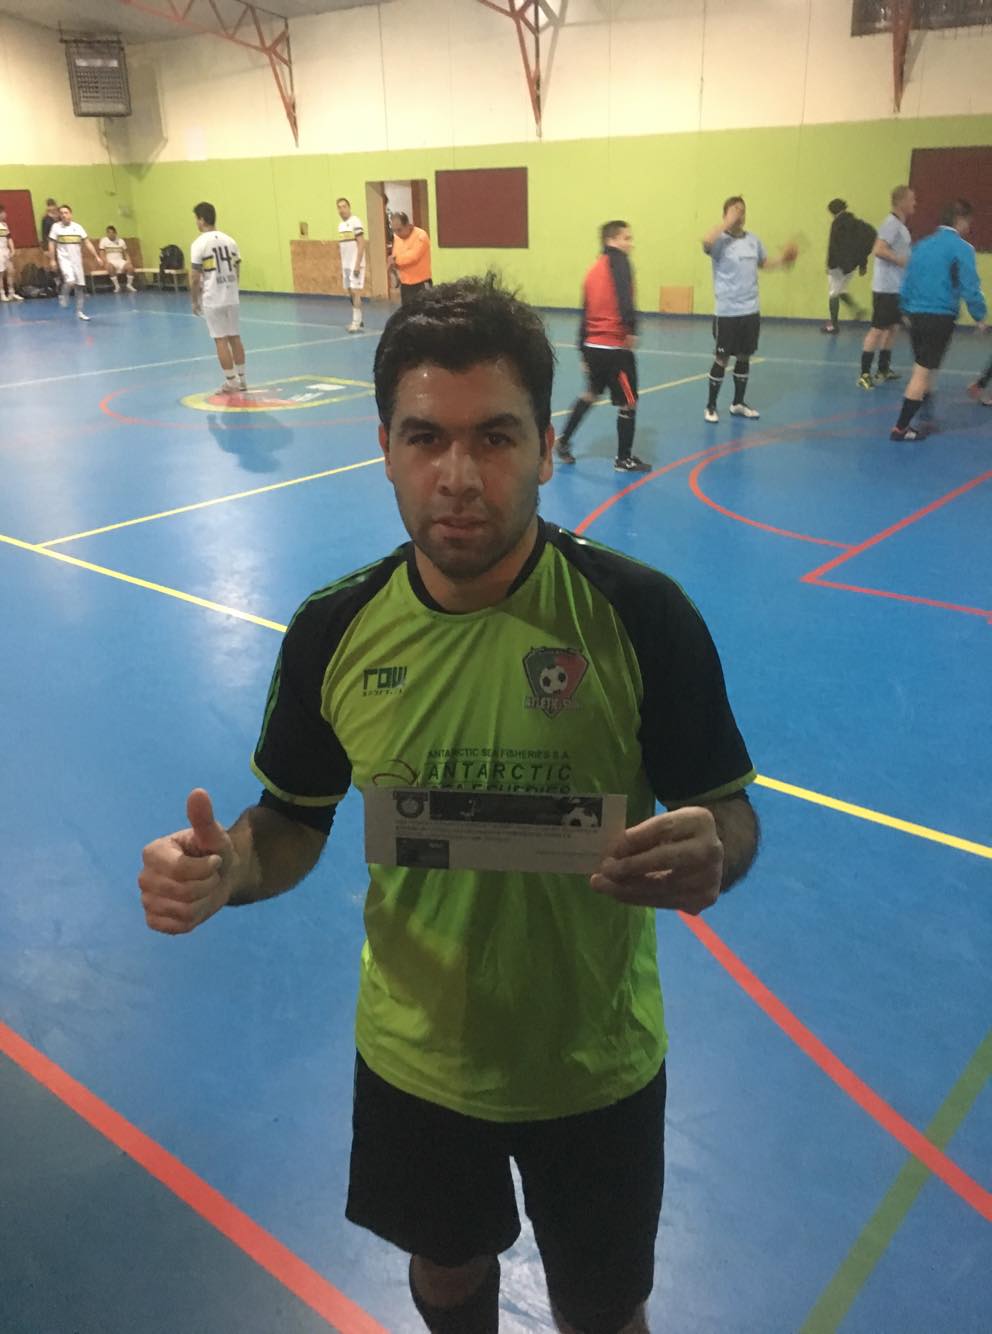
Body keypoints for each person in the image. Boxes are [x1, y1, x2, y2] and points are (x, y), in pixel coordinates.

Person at [137, 274, 760, 1334]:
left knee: (604, 1309)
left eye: (495, 438)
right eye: (426, 437)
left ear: (546, 449)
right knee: (444, 1270)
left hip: (595, 1063)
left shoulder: (642, 617)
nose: (459, 477)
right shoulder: (332, 631)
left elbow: (727, 812)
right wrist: (226, 868)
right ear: (384, 445)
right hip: (415, 1057)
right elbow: (289, 820)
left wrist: (718, 851)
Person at [556, 220, 650, 473]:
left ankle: (563, 441)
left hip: (592, 346)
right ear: (612, 240)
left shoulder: (592, 270)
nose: (630, 244)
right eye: (626, 238)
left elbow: (585, 311)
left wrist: (582, 348)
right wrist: (631, 328)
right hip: (614, 348)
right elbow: (625, 297)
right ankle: (623, 459)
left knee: (591, 392)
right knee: (628, 402)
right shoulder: (620, 262)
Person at [891, 199, 987, 441]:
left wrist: (904, 309)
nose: (969, 227)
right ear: (960, 220)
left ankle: (926, 415)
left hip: (915, 314)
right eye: (968, 222)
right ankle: (901, 428)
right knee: (922, 372)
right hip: (940, 316)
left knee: (927, 366)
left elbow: (908, 280)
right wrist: (979, 315)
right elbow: (970, 286)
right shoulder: (962, 249)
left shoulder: (921, 246)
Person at [702, 197, 798, 423]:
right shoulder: (719, 241)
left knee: (744, 356)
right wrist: (727, 224)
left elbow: (763, 264)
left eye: (742, 211)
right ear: (725, 215)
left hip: (750, 310)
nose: (740, 215)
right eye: (735, 211)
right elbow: (706, 243)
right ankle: (711, 406)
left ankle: (738, 403)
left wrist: (783, 260)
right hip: (727, 311)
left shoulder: (753, 240)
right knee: (722, 358)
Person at [858, 186, 915, 389]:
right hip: (885, 288)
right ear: (901, 202)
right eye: (911, 199)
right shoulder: (891, 224)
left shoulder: (900, 226)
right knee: (877, 330)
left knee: (893, 328)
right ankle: (864, 374)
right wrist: (900, 260)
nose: (914, 203)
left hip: (897, 287)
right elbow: (879, 249)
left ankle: (883, 368)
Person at [190, 201, 247, 395]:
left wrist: (194, 300)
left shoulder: (199, 243)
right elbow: (237, 268)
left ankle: (231, 381)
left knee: (220, 339)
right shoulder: (230, 241)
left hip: (213, 296)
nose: (196, 223)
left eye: (196, 219)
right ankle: (242, 379)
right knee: (235, 336)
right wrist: (234, 287)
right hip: (231, 294)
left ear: (202, 219)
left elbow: (195, 276)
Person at [820, 199, 874, 334]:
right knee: (841, 290)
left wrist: (830, 265)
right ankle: (856, 310)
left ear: (833, 211)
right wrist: (862, 263)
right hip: (851, 266)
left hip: (837, 265)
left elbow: (833, 247)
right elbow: (868, 239)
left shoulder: (837, 224)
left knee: (833, 293)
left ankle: (834, 325)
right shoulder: (857, 223)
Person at [47, 204, 100, 321]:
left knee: (79, 287)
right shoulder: (56, 227)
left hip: (77, 261)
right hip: (64, 259)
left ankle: (80, 312)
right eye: (61, 213)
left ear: (70, 214)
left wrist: (96, 256)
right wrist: (52, 259)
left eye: (66, 213)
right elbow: (51, 243)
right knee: (70, 281)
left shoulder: (78, 227)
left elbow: (87, 242)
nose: (63, 215)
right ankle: (63, 294)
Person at [389, 212, 433, 306]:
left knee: (422, 312)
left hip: (421, 284)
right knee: (407, 313)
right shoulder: (397, 237)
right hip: (405, 285)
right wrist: (393, 262)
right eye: (394, 230)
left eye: (399, 230)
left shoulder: (421, 236)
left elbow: (412, 257)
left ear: (407, 225)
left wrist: (395, 260)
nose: (397, 233)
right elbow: (395, 254)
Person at [336, 196, 366, 332]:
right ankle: (359, 319)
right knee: (350, 292)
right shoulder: (341, 226)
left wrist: (357, 264)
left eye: (344, 206)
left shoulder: (355, 221)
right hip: (346, 265)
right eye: (339, 207)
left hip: (355, 264)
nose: (342, 210)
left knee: (355, 291)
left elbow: (361, 243)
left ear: (349, 207)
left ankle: (356, 322)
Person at [98, 225, 136, 293]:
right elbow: (101, 253)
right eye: (109, 232)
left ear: (115, 233)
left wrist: (129, 261)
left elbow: (126, 253)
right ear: (107, 233)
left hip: (120, 261)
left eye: (112, 232)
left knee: (130, 267)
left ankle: (129, 285)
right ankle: (117, 286)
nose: (110, 234)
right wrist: (105, 262)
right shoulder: (103, 241)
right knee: (110, 267)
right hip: (110, 261)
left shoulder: (121, 241)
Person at [0, 203, 24, 301]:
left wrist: (12, 249)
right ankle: (2, 294)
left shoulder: (4, 225)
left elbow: (9, 238)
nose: (5, 214)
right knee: (0, 273)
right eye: (3, 212)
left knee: (11, 271)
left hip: (5, 251)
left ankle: (11, 293)